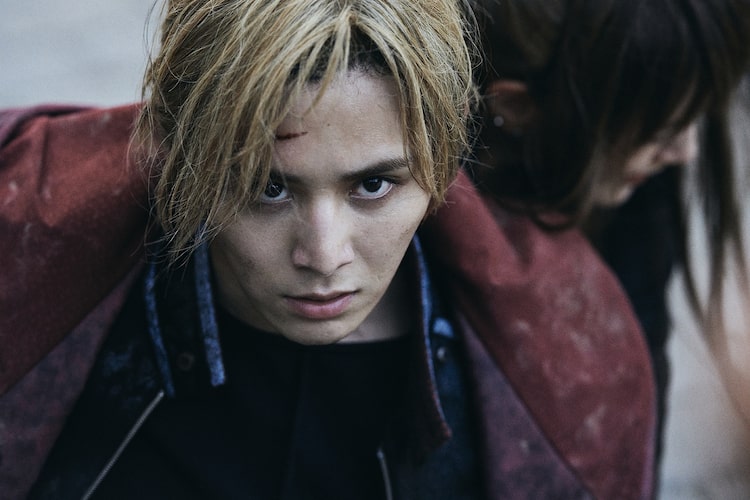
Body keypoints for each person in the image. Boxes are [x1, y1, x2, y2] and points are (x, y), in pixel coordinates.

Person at [0, 0, 655, 498]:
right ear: (179, 156)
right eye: (267, 188)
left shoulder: (571, 354)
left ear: (443, 162)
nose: (323, 254)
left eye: (373, 185)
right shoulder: (27, 243)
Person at [468, 0, 750, 471]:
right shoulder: (413, 251)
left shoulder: (640, 191)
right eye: (659, 132)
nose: (685, 152)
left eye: (694, 119)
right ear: (515, 107)